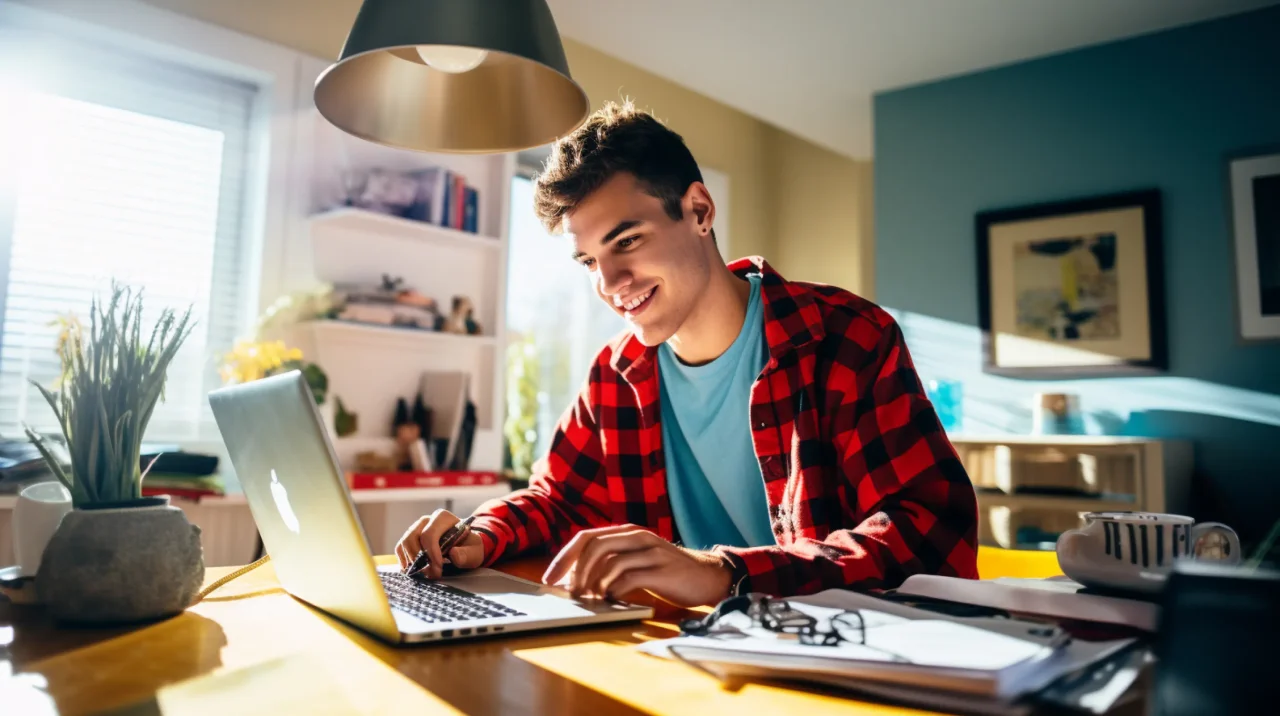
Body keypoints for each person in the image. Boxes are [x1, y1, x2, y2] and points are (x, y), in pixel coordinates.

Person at [396, 100, 978, 608]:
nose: (611, 282)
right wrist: (477, 534)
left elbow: (930, 536)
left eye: (627, 241)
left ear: (699, 211)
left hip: (829, 654)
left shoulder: (847, 338)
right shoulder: (613, 376)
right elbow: (556, 500)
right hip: (679, 651)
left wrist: (723, 575)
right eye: (590, 262)